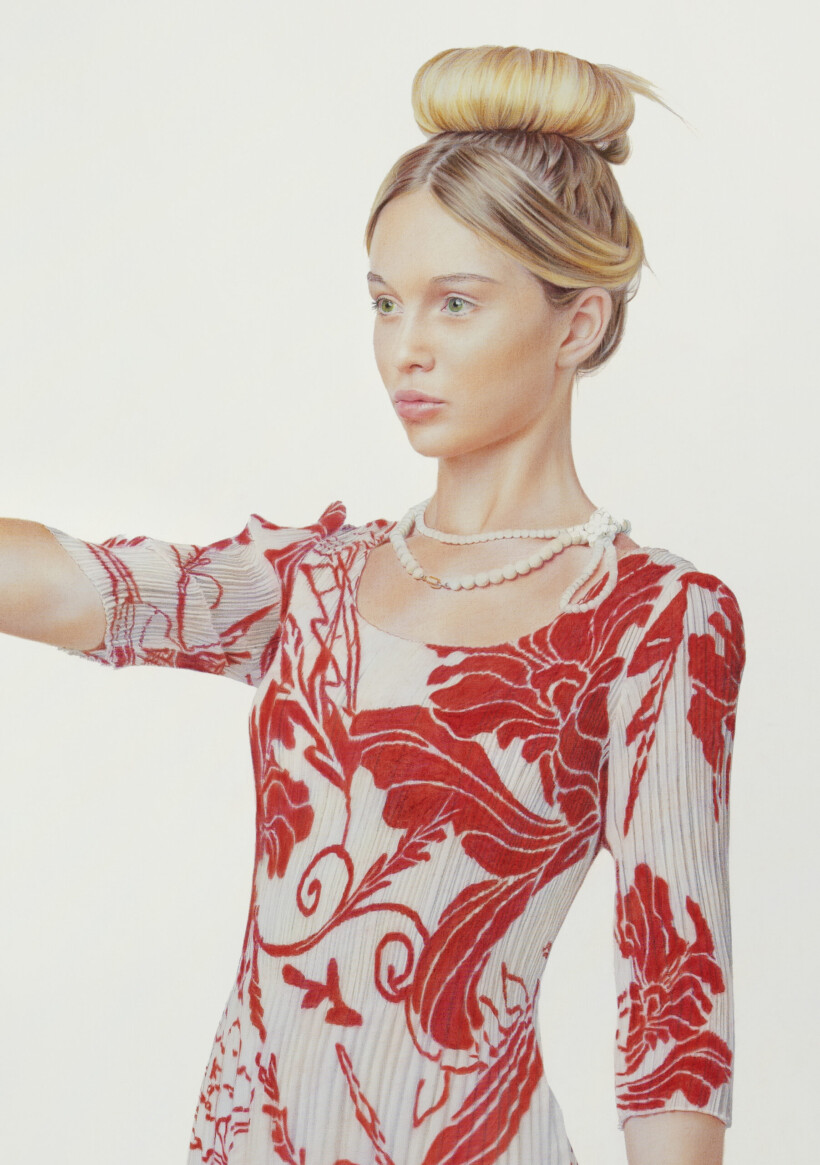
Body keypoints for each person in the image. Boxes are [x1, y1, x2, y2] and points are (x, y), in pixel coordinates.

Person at [0, 44, 745, 1165]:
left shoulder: (651, 614)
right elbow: (83, 588)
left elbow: (672, 993)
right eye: (386, 301)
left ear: (576, 325)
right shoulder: (316, 582)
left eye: (456, 302)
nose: (407, 346)